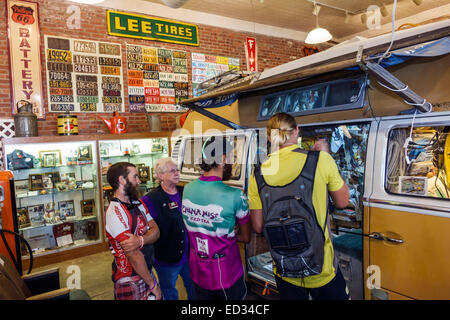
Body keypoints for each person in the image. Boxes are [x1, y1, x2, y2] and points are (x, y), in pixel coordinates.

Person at [248, 112, 350, 300]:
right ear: (296, 131)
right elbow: (343, 202)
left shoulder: (257, 174)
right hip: (322, 269)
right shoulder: (320, 160)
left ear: (269, 137)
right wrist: (324, 156)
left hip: (285, 270)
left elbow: (257, 226)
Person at [181, 136, 251, 300]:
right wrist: (233, 231)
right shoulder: (235, 195)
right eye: (232, 157)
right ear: (223, 159)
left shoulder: (188, 189)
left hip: (198, 272)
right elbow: (246, 237)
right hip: (226, 275)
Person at [105, 162, 162, 300]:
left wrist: (140, 240)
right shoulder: (115, 211)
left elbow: (156, 231)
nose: (139, 180)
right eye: (135, 176)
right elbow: (133, 254)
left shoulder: (138, 203)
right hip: (129, 278)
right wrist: (152, 284)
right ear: (122, 180)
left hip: (146, 271)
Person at [140, 157, 195, 300]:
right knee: (169, 293)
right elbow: (146, 228)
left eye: (177, 170)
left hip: (190, 255)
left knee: (194, 288)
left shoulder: (186, 192)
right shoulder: (150, 199)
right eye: (172, 171)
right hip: (166, 259)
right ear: (160, 176)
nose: (177, 173)